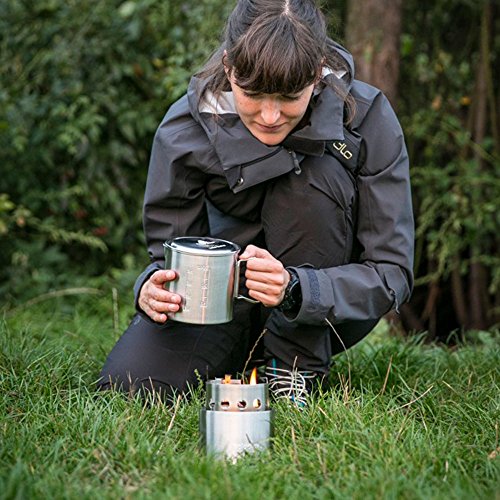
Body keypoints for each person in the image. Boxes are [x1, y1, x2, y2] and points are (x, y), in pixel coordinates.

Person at [98, 0, 414, 406]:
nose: (269, 115)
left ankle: (294, 366)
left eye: (288, 96)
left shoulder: (368, 119)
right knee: (130, 386)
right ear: (229, 67)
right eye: (254, 94)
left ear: (317, 73)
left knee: (312, 173)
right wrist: (150, 287)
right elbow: (169, 256)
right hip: (220, 305)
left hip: (322, 307)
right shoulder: (184, 130)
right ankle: (244, 352)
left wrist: (295, 289)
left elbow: (391, 273)